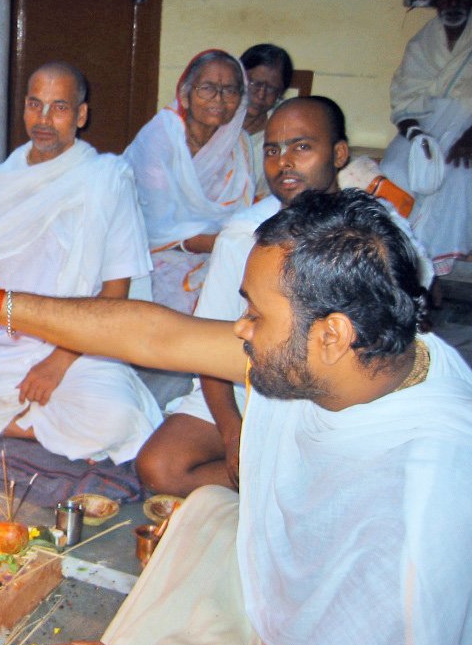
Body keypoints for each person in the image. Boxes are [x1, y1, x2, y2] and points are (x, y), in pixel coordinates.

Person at [0, 189, 472, 645]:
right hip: (278, 601)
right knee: (206, 515)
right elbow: (156, 334)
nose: (240, 328)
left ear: (332, 335)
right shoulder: (365, 354)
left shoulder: (420, 505)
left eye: (255, 314)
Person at [0, 62, 161, 464]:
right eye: (34, 105)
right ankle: (32, 424)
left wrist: (58, 362)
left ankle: (13, 420)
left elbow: (115, 294)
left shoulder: (106, 178)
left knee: (118, 418)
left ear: (81, 115)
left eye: (58, 107)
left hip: (80, 344)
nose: (43, 119)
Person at [135, 96, 350, 495]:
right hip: (247, 384)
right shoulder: (242, 235)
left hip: (335, 390)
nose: (284, 162)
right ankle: (286, 474)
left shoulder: (371, 227)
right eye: (272, 149)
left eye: (302, 147)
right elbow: (208, 340)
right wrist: (234, 435)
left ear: (338, 153)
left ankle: (294, 473)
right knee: (159, 467)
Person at [123, 49, 253, 313]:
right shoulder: (158, 138)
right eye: (207, 88)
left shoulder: (241, 145)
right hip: (150, 256)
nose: (219, 98)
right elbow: (154, 226)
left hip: (220, 253)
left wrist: (230, 245)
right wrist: (226, 243)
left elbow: (243, 217)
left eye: (230, 90)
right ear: (185, 94)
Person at [381, 0, 472, 277]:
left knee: (457, 174)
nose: (453, 1)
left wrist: (469, 137)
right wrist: (417, 136)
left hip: (467, 129)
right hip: (423, 125)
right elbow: (404, 97)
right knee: (394, 168)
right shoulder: (422, 42)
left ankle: (432, 269)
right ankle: (394, 257)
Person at [240, 43, 293, 199]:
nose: (260, 95)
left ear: (280, 93)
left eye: (271, 88)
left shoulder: (284, 130)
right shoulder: (215, 118)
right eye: (255, 84)